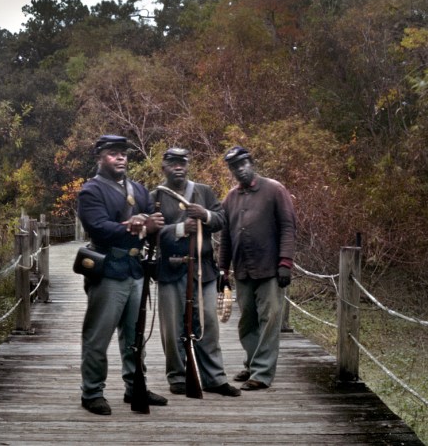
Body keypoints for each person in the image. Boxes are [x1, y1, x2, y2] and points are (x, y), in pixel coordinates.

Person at [77, 134, 168, 415]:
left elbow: (153, 224)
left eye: (124, 153)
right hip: (108, 270)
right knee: (98, 336)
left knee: (135, 335)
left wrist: (153, 229)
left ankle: (134, 387)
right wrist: (140, 225)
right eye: (114, 153)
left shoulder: (139, 190)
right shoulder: (90, 191)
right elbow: (99, 228)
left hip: (135, 269)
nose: (121, 158)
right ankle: (92, 392)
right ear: (100, 157)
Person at [154, 148, 241, 397]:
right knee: (172, 328)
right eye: (172, 163)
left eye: (182, 162)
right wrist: (180, 228)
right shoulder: (156, 197)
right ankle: (178, 376)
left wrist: (205, 214)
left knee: (209, 325)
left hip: (203, 270)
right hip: (171, 269)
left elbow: (222, 219)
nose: (178, 167)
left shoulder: (203, 191)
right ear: (164, 167)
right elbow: (151, 234)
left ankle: (214, 378)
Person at [218, 146, 296, 391]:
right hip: (243, 269)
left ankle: (261, 373)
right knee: (246, 322)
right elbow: (226, 237)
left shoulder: (274, 189)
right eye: (234, 166)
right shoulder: (230, 197)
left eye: (243, 163)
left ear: (251, 162)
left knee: (270, 318)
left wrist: (285, 262)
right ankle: (252, 363)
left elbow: (288, 227)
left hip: (270, 268)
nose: (239, 169)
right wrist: (223, 270)